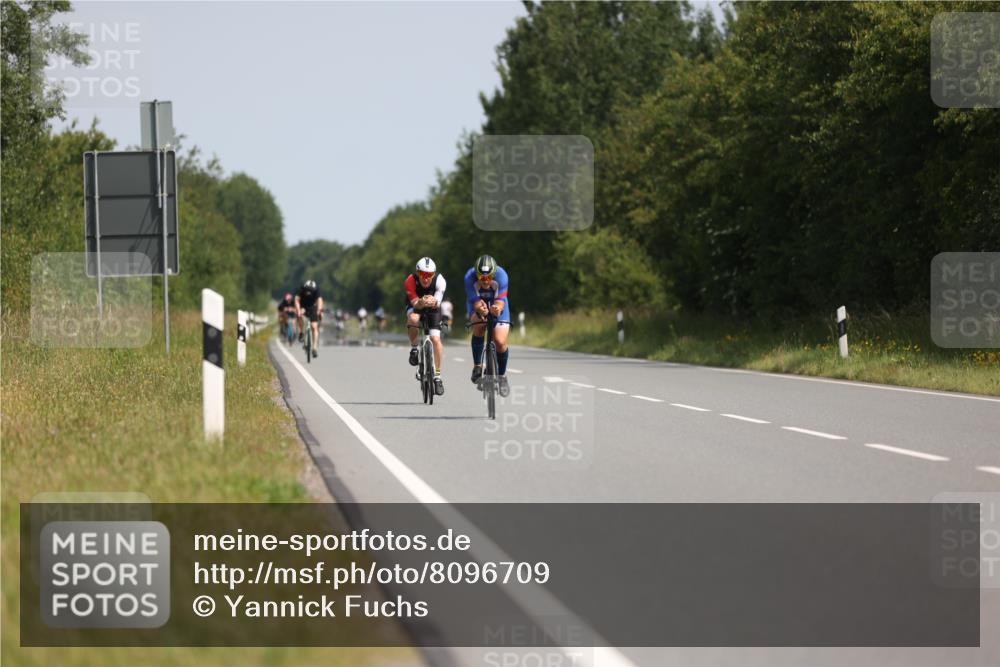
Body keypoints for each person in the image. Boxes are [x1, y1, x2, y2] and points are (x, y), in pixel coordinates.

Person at [464, 254, 511, 397]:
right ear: (476, 274)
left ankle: (502, 377)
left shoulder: (502, 275)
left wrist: (497, 309)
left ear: (494, 274)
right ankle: (477, 366)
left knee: (500, 342)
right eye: (482, 278)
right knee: (479, 325)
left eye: (489, 278)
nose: (485, 281)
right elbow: (476, 302)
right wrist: (481, 309)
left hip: (498, 303)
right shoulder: (469, 277)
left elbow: (501, 301)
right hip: (478, 303)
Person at [405, 257, 446, 396]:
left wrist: (434, 301)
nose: (426, 278)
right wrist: (421, 302)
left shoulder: (440, 281)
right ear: (417, 273)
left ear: (433, 275)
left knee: (435, 339)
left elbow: (438, 301)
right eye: (423, 274)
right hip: (416, 305)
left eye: (429, 275)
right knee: (413, 319)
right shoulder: (410, 281)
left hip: (434, 307)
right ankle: (414, 348)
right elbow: (415, 304)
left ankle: (438, 376)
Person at [295, 279, 323, 357]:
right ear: (305, 288)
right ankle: (301, 332)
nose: (309, 292)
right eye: (307, 290)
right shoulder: (301, 288)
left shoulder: (317, 289)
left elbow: (320, 300)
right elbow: (297, 300)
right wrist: (298, 310)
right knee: (299, 315)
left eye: (311, 291)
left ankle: (314, 348)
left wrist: (319, 310)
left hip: (312, 306)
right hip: (303, 305)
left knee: (314, 327)